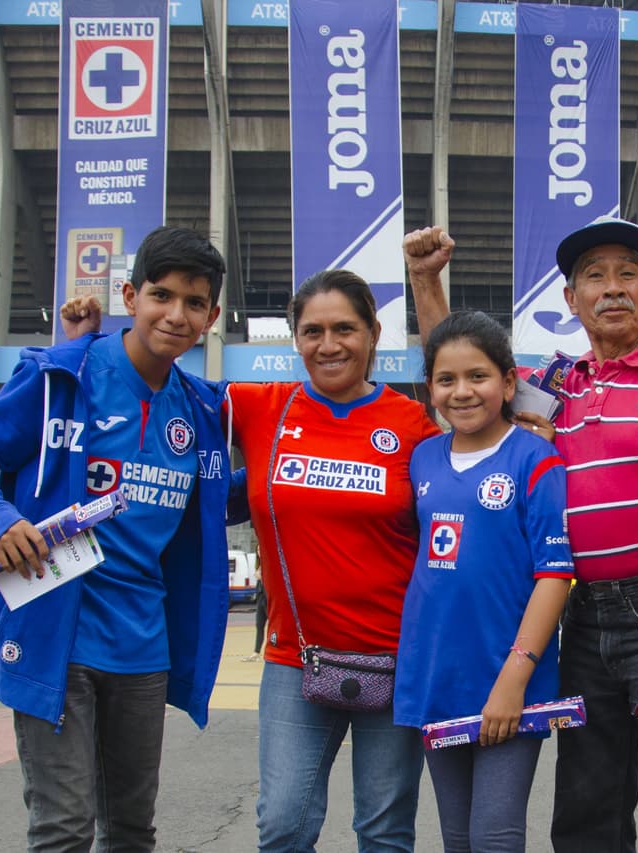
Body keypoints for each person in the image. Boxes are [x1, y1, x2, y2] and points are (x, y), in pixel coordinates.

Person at [405, 221, 638, 853]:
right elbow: (460, 366)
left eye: (628, 274)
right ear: (572, 300)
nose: (612, 289)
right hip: (586, 621)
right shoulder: (558, 386)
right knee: (587, 811)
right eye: (594, 276)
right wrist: (426, 281)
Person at [63, 266, 442, 851]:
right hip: (297, 658)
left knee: (385, 830)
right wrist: (81, 346)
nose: (329, 344)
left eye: (345, 328)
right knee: (284, 825)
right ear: (296, 339)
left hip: (398, 661)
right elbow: (153, 386)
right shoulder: (257, 407)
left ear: (372, 332)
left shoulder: (412, 424)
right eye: (312, 331)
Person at [0, 226, 235, 852]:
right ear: (131, 295)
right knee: (63, 829)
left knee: (131, 831)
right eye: (161, 295)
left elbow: (216, 503)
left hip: (143, 649)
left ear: (211, 317)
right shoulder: (59, 378)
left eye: (195, 302)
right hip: (56, 634)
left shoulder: (204, 410)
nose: (176, 314)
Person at [394, 311, 573, 852]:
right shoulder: (422, 458)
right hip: (434, 679)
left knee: (495, 837)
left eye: (478, 376)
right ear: (429, 389)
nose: (462, 391)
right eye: (446, 380)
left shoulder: (536, 459)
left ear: (508, 382)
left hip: (508, 683)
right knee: (457, 839)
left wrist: (515, 677)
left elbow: (555, 576)